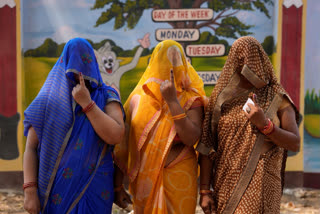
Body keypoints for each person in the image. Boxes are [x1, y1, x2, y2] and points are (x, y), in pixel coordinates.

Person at [197, 36, 301, 214]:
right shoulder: (221, 99)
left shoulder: (277, 97)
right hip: (226, 182)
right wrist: (205, 190)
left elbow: (294, 143)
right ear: (234, 62)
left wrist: (265, 125)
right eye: (242, 61)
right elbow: (207, 145)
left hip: (262, 183)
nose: (248, 67)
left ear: (261, 62)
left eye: (252, 61)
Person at [23, 38, 125, 214]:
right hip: (56, 189)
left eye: (86, 65)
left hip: (95, 187)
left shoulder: (106, 95)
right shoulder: (47, 100)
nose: (81, 74)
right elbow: (31, 147)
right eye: (75, 66)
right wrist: (30, 191)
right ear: (65, 63)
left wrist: (87, 104)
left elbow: (116, 135)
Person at [113, 40, 207, 213]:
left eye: (176, 60)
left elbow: (192, 137)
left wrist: (172, 101)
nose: (171, 66)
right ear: (154, 62)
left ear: (184, 63)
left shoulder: (191, 97)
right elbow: (124, 145)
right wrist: (118, 187)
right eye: (165, 60)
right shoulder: (139, 99)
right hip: (145, 177)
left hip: (180, 172)